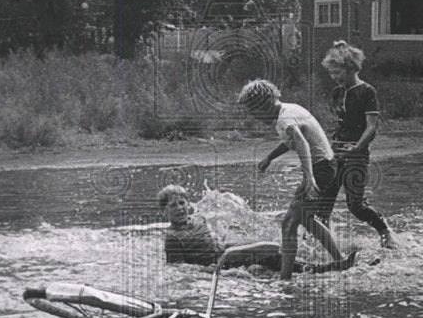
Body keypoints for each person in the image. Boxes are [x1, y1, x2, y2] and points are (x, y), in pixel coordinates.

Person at [236, 79, 358, 280]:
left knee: (288, 222)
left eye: (253, 110)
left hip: (320, 169)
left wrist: (309, 177)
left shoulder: (284, 120)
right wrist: (270, 157)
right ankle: (341, 261)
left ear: (264, 103)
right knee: (307, 220)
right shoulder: (289, 110)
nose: (253, 116)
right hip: (327, 165)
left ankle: (285, 279)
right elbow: (292, 139)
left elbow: (301, 143)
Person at [157, 185, 359, 274]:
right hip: (218, 262)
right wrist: (210, 271)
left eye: (182, 203)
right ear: (164, 210)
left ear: (188, 204)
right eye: (173, 206)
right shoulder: (173, 238)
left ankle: (321, 266)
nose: (179, 209)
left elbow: (213, 237)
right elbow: (179, 269)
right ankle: (327, 268)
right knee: (272, 250)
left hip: (226, 250)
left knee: (273, 255)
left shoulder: (199, 218)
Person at [321, 40, 397, 248]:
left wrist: (358, 147)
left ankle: (385, 231)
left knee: (355, 205)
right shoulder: (337, 92)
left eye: (338, 73)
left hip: (357, 153)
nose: (335, 78)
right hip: (335, 151)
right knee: (323, 203)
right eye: (332, 73)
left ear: (351, 68)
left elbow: (371, 127)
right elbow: (340, 122)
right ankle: (317, 242)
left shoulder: (367, 91)